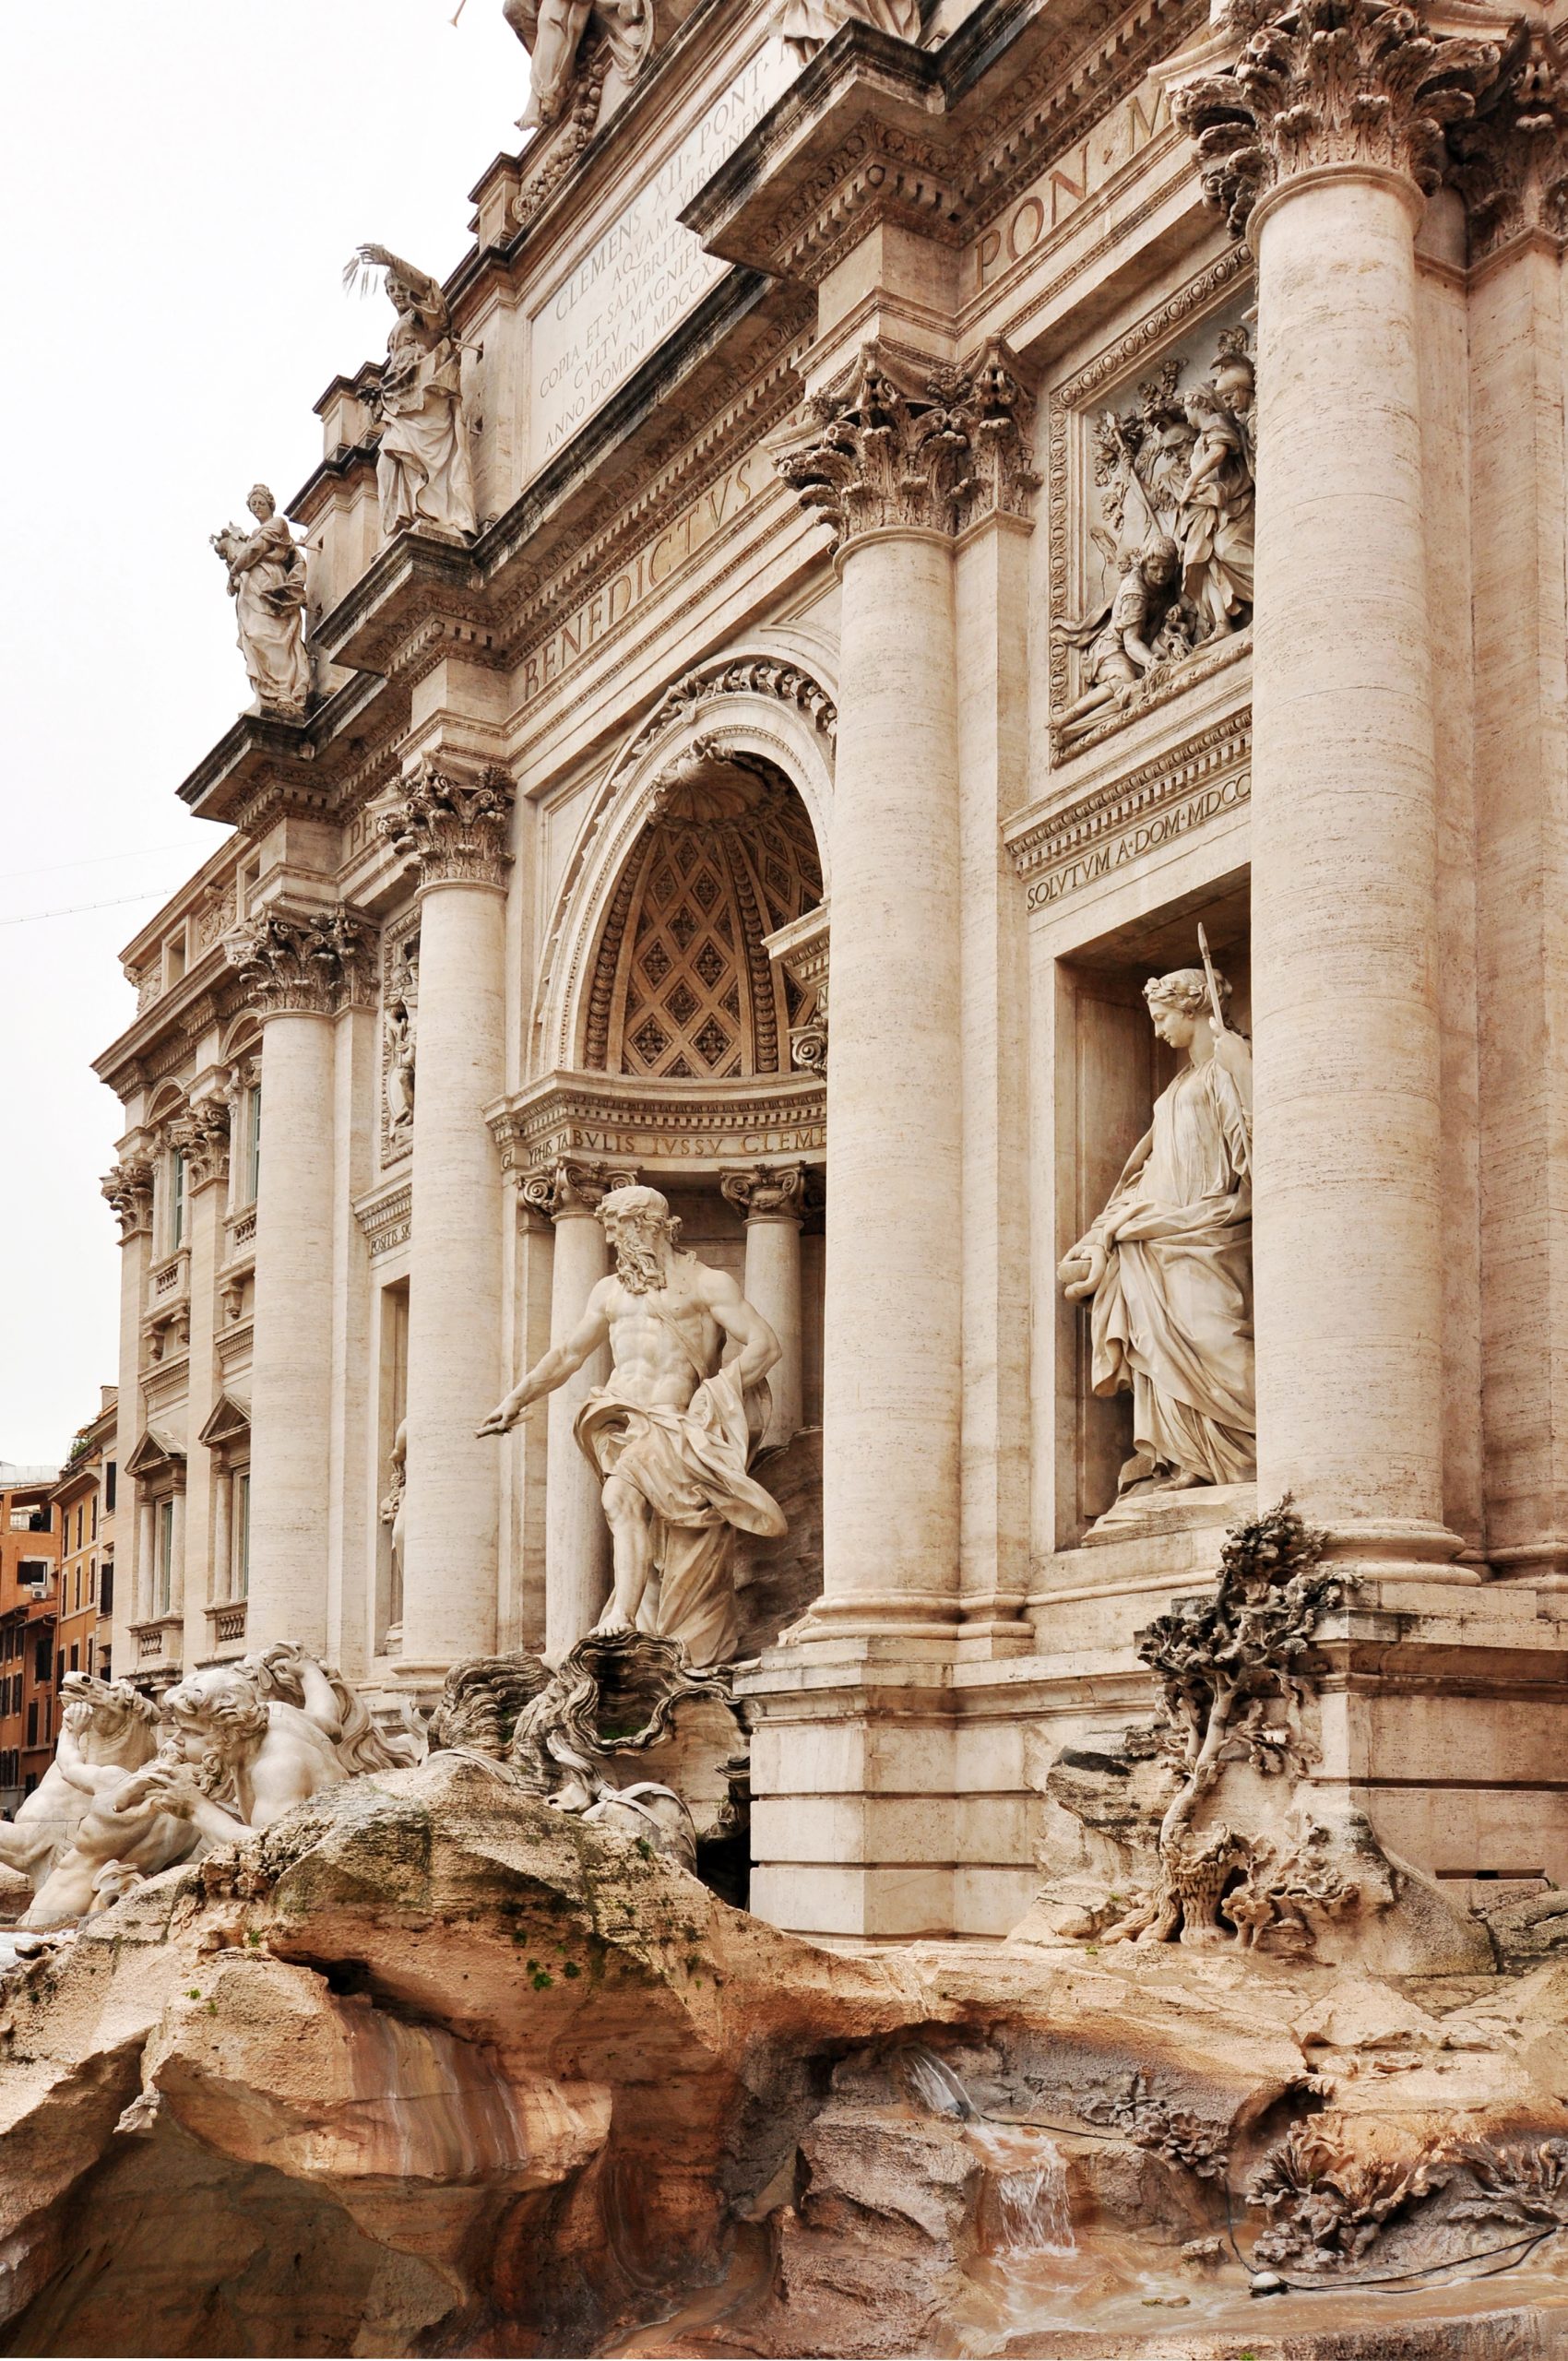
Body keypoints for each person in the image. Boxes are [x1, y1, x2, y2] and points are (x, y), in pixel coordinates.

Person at [480, 1184, 785, 1666]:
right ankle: (636, 1621)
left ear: (646, 1224)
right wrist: (516, 1399)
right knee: (634, 1515)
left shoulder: (707, 1284)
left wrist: (714, 1394)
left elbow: (765, 1346)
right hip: (622, 1419)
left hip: (674, 1423)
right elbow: (569, 1354)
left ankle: (622, 1615)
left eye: (618, 1229)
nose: (612, 1241)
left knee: (620, 1499)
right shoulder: (609, 1291)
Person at [1059, 965, 1254, 1504]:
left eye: (1163, 1017)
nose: (1157, 1030)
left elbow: (1251, 1144)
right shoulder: (1176, 1086)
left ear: (1192, 1010)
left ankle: (1248, 1450)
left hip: (1209, 1226)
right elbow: (1147, 1172)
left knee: (1216, 1337)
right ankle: (1186, 1456)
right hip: (1157, 1231)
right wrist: (1103, 1231)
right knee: (1157, 1344)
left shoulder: (1227, 1063)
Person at [211, 486, 310, 718]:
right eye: (252, 503)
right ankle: (268, 692)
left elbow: (256, 550)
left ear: (270, 504)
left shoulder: (277, 525)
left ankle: (284, 690)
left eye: (260, 502)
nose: (256, 506)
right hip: (252, 588)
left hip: (269, 582)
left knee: (266, 635)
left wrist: (234, 571)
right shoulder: (256, 532)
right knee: (253, 636)